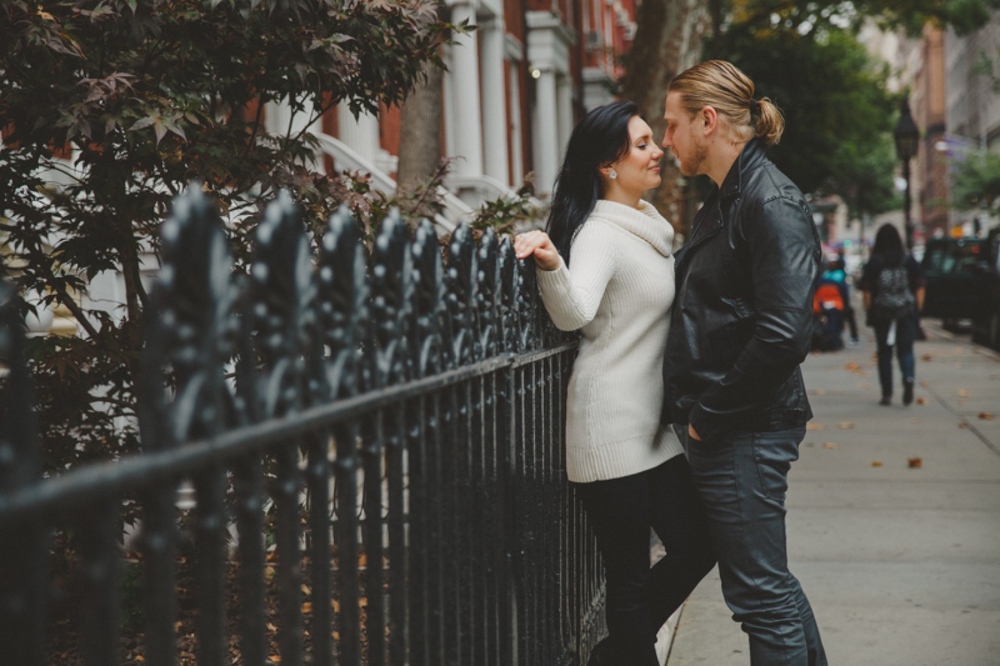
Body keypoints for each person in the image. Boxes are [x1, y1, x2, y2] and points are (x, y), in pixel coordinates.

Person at [514, 100, 715, 666]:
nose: (659, 152)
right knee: (627, 579)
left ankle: (611, 656)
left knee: (699, 545)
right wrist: (551, 261)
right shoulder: (600, 233)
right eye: (645, 143)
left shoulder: (649, 228)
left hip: (650, 428)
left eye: (655, 140)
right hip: (607, 429)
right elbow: (575, 313)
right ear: (608, 164)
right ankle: (626, 654)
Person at [660, 60, 828, 666]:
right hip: (740, 424)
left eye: (673, 123)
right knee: (770, 586)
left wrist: (709, 416)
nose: (665, 138)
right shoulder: (731, 196)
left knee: (760, 597)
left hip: (745, 427)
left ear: (708, 121)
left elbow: (784, 333)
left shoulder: (768, 199)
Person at [859, 223, 926, 406]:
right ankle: (909, 377)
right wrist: (916, 310)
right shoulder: (908, 260)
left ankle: (887, 393)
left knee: (884, 353)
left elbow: (867, 291)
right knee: (906, 350)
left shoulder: (874, 262)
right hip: (906, 311)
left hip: (882, 312)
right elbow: (920, 286)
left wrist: (869, 310)